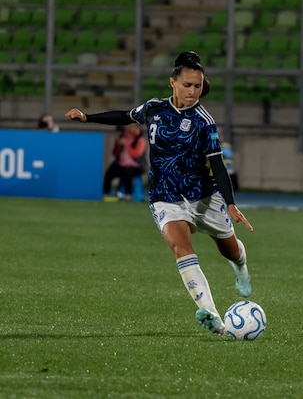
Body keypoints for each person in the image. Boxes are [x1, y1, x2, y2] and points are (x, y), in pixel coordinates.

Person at [65, 51, 253, 336]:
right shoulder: (154, 108)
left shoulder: (205, 122)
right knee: (181, 248)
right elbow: (125, 116)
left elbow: (217, 163)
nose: (193, 91)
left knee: (230, 249)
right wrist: (86, 117)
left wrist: (230, 203)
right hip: (166, 196)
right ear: (173, 83)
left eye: (198, 86)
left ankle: (241, 268)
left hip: (204, 197)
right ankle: (213, 316)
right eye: (187, 85)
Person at [103, 123, 147, 200]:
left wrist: (126, 145)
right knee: (109, 173)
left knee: (128, 173)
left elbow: (137, 154)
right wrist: (118, 145)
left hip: (135, 165)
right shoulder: (121, 138)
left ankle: (128, 194)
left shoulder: (140, 140)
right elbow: (115, 153)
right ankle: (105, 194)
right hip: (121, 164)